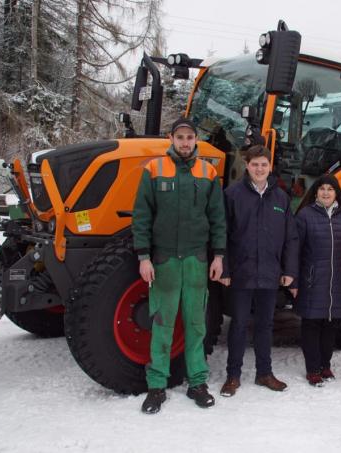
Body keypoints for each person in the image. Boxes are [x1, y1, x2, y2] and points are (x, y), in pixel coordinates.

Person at [132, 117, 226, 414]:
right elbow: (142, 216)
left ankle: (197, 383)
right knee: (162, 323)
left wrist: (219, 256)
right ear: (171, 138)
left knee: (196, 324)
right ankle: (156, 386)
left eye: (190, 138)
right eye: (180, 137)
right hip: (165, 260)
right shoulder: (154, 170)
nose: (185, 143)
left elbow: (217, 219)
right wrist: (144, 257)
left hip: (197, 260)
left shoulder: (207, 172)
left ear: (196, 140)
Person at [219, 145, 299, 397]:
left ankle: (264, 373)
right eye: (255, 164)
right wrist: (225, 268)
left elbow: (290, 238)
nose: (259, 169)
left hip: (269, 272)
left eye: (264, 164)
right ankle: (233, 376)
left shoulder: (281, 199)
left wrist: (288, 270)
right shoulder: (233, 195)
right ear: (247, 166)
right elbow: (223, 234)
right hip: (241, 272)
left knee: (265, 325)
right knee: (240, 324)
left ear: (270, 166)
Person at [291, 175, 341, 387]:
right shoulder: (305, 216)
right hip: (312, 280)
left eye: (330, 189)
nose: (326, 193)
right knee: (311, 324)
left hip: (337, 281)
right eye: (322, 189)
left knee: (331, 324)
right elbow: (295, 251)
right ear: (316, 192)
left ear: (337, 192)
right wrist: (294, 281)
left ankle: (325, 365)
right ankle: (313, 369)